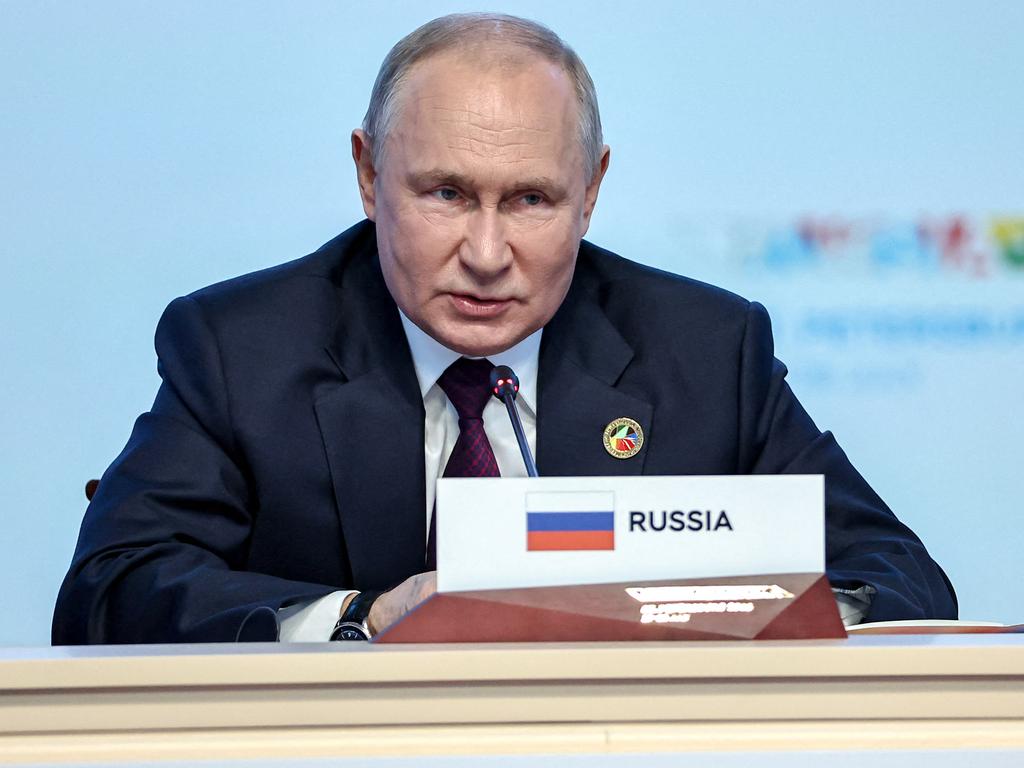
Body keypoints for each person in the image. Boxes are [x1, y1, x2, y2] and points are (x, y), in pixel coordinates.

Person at [52, 13, 957, 644]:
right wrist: (360, 620)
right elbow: (110, 590)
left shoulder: (708, 350)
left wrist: (720, 609)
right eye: (445, 193)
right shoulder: (241, 348)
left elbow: (904, 581)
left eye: (530, 199)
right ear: (369, 176)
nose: (486, 253)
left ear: (593, 190)